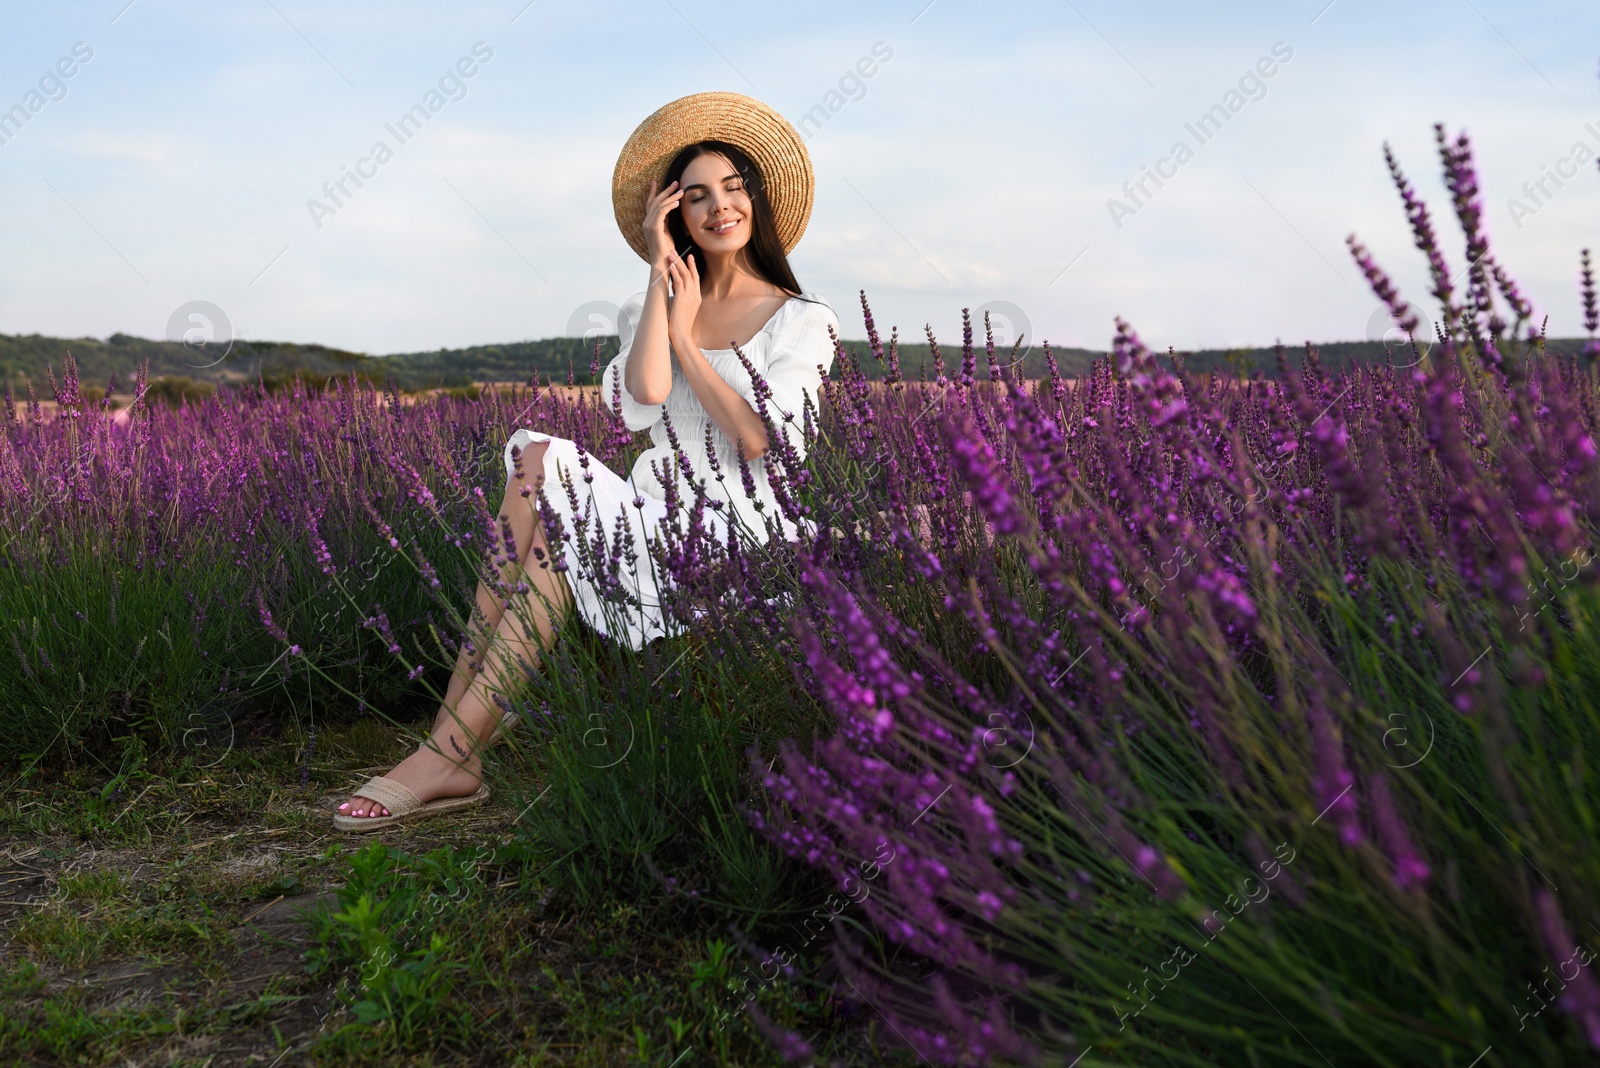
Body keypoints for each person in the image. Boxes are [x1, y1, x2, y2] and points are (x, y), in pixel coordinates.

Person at [335, 91, 839, 830]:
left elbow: (762, 442)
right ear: (674, 217)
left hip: (735, 529)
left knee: (554, 539)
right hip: (651, 507)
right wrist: (658, 283)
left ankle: (451, 752)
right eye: (694, 197)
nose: (718, 207)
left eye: (733, 188)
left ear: (756, 201)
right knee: (536, 458)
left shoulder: (802, 318)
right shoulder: (660, 303)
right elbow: (642, 396)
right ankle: (451, 740)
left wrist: (692, 338)